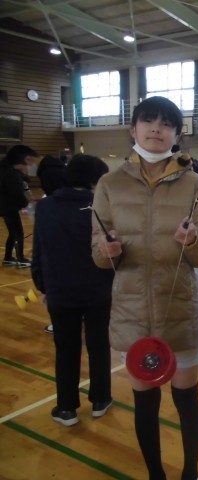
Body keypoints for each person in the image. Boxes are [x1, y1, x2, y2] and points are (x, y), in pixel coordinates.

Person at [91, 96, 198, 480]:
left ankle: (190, 473)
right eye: (148, 120)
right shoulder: (109, 184)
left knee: (186, 398)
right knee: (145, 403)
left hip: (180, 308)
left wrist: (192, 240)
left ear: (177, 134)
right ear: (133, 129)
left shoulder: (194, 183)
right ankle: (155, 474)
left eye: (166, 123)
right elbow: (98, 257)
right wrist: (107, 250)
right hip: (133, 312)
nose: (156, 128)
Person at [31, 154, 113, 427]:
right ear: (94, 179)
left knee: (66, 348)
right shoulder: (101, 208)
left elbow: (39, 251)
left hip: (60, 290)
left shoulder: (45, 207)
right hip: (98, 289)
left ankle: (66, 408)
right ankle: (101, 398)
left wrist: (43, 286)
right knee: (99, 345)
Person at [0, 145, 38, 268]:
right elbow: (17, 194)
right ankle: (21, 259)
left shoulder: (10, 172)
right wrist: (25, 203)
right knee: (18, 233)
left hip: (7, 207)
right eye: (29, 161)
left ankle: (8, 258)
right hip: (8, 207)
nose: (30, 165)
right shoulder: (11, 175)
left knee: (13, 232)